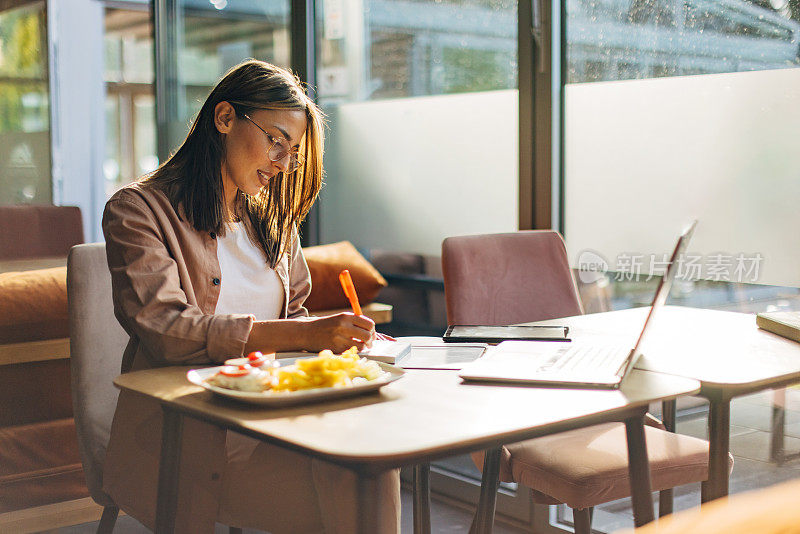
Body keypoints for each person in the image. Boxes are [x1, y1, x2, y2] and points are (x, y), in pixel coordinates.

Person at [101, 60, 400, 533]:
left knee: (371, 458)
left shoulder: (273, 222)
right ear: (224, 119)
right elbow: (167, 330)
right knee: (358, 479)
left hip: (275, 424)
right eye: (275, 140)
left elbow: (296, 314)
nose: (282, 164)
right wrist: (302, 333)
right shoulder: (138, 211)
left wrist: (335, 345)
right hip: (188, 438)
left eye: (293, 152)